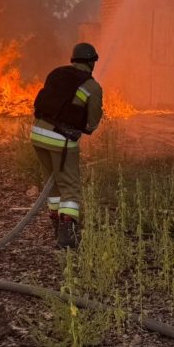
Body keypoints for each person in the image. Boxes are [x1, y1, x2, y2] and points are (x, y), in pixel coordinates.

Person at [30, 42, 103, 249]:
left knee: (51, 183)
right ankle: (67, 235)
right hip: (60, 139)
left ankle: (56, 224)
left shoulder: (57, 74)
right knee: (70, 186)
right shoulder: (92, 86)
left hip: (38, 134)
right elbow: (93, 120)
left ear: (73, 60)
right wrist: (86, 127)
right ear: (92, 62)